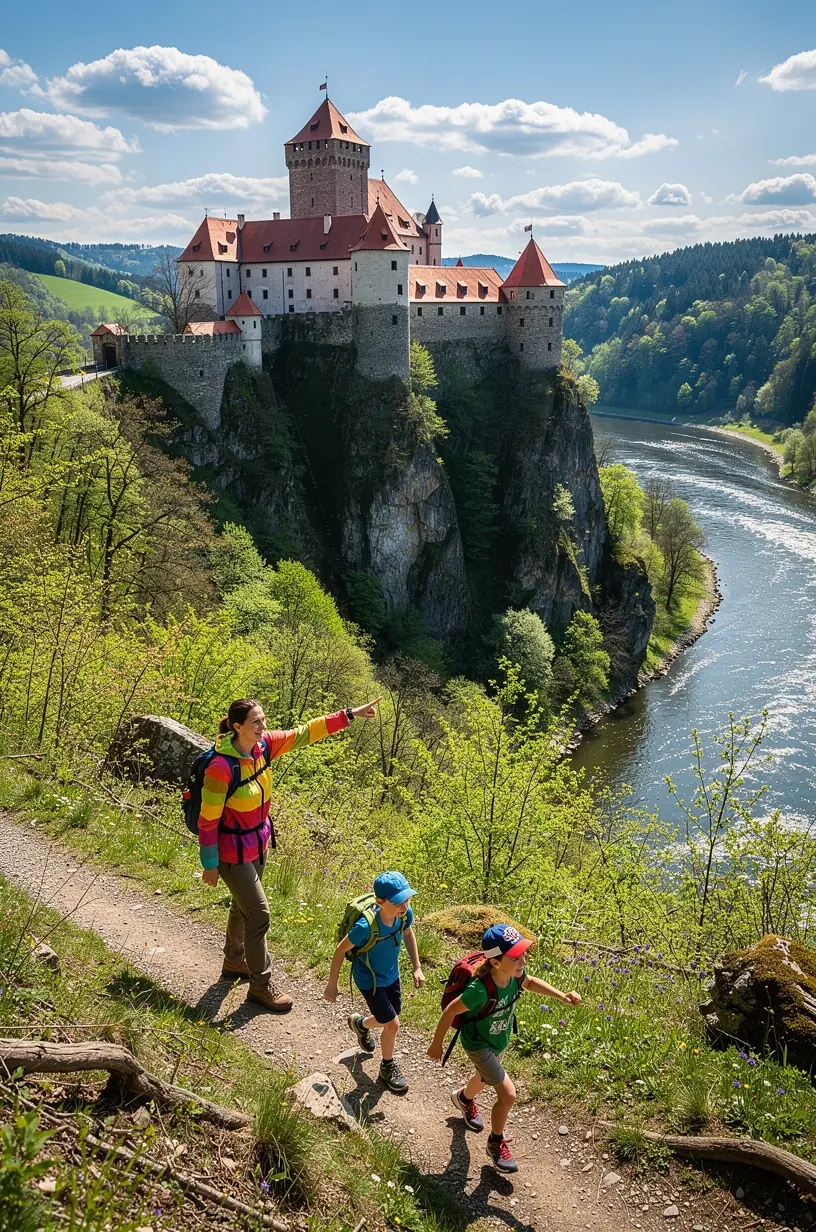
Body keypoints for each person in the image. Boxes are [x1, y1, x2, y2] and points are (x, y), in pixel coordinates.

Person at [199, 696, 380, 1012]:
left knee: (243, 908)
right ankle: (260, 985)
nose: (263, 726)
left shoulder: (263, 747)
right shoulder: (220, 768)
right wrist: (210, 864)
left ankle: (234, 961)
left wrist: (349, 714)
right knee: (259, 915)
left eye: (264, 720)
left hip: (258, 845)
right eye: (256, 721)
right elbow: (208, 820)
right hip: (231, 854)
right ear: (237, 726)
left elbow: (305, 732)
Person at [427, 924, 581, 1173]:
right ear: (496, 962)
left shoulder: (516, 974)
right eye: (515, 956)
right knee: (508, 1094)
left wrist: (561, 995)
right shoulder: (478, 990)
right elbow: (450, 1011)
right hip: (478, 1044)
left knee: (485, 1077)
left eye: (523, 954)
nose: (522, 960)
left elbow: (530, 983)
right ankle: (495, 1142)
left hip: (498, 1039)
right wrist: (437, 1044)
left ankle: (464, 1098)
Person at [324, 871, 424, 1093]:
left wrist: (417, 966)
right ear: (380, 902)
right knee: (392, 1023)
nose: (404, 906)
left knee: (388, 1018)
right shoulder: (365, 927)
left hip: (392, 975)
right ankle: (387, 1066)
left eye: (407, 899)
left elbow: (408, 934)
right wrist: (333, 984)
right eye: (398, 901)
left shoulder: (404, 916)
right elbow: (341, 950)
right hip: (369, 979)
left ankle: (359, 1024)